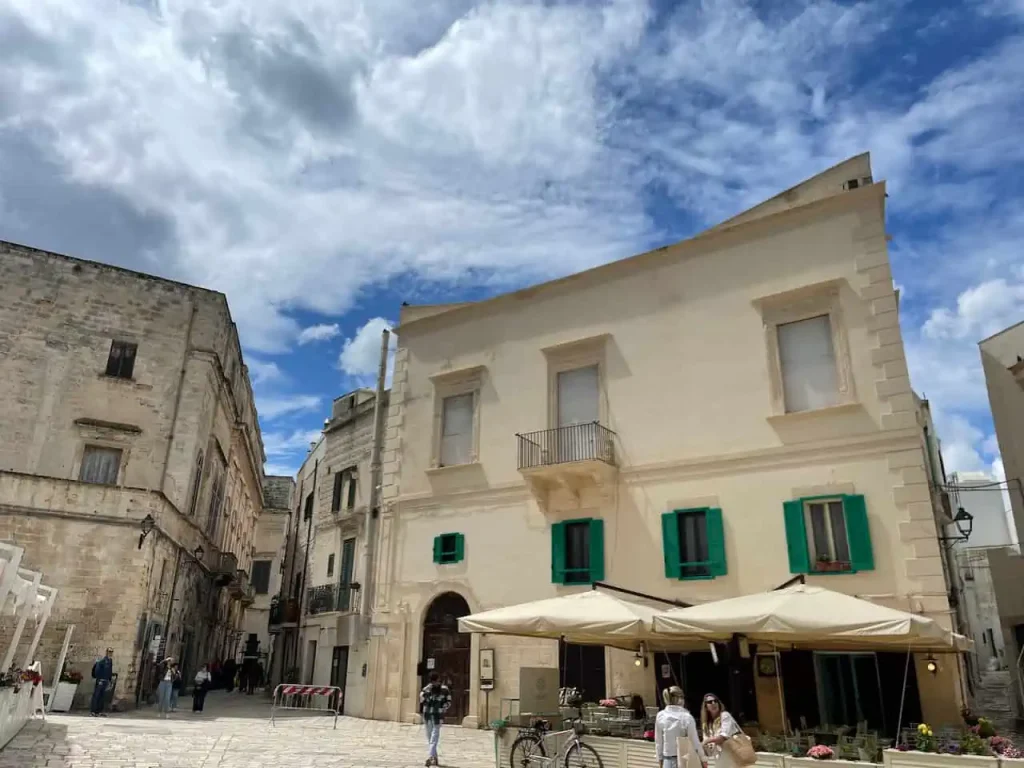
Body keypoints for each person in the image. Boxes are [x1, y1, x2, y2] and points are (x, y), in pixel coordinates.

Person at [655, 686, 706, 768]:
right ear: (680, 699)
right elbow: (695, 742)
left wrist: (660, 760)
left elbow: (658, 742)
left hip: (667, 760)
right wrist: (703, 759)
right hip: (684, 759)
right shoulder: (686, 717)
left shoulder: (660, 716)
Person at [419, 672, 452, 767]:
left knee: (434, 737)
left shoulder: (445, 690)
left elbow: (449, 701)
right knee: (430, 738)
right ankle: (434, 758)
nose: (435, 683)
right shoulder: (426, 689)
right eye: (433, 682)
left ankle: (430, 757)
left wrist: (443, 708)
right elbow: (421, 700)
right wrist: (425, 693)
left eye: (436, 681)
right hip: (427, 716)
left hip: (438, 716)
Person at [701, 693, 742, 768]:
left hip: (732, 757)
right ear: (706, 707)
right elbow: (706, 745)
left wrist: (706, 741)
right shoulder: (707, 724)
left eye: (715, 701)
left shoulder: (725, 715)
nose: (713, 703)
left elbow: (722, 737)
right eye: (710, 702)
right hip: (718, 759)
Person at [90, 648, 114, 717]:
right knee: (96, 696)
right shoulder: (102, 661)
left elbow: (110, 671)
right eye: (109, 651)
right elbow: (97, 670)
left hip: (106, 681)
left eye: (111, 652)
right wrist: (99, 679)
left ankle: (99, 711)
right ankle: (93, 711)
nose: (110, 653)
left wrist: (110, 680)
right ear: (106, 652)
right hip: (100, 681)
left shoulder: (110, 661)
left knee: (102, 696)